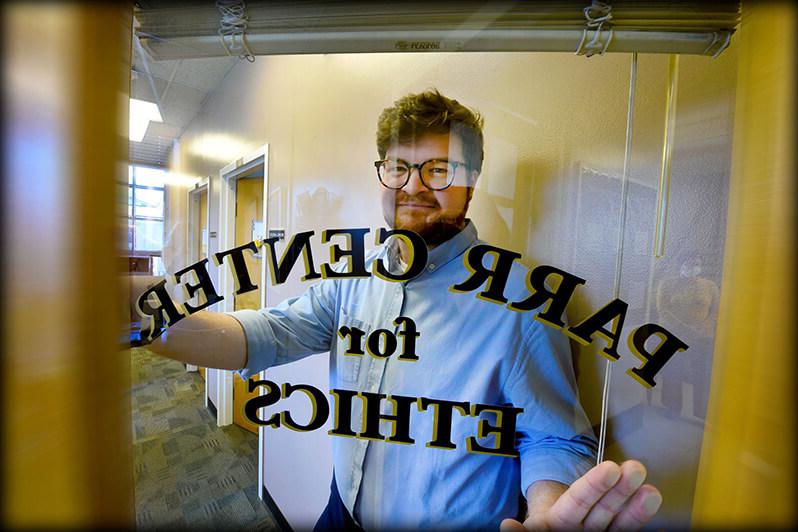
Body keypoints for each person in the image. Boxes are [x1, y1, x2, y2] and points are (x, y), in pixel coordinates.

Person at [148, 89, 662, 530]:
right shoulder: (353, 275)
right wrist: (140, 309)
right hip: (339, 511)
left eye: (437, 169)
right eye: (398, 167)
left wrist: (547, 511)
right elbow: (263, 334)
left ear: (471, 183)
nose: (413, 186)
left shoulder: (521, 300)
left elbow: (553, 435)